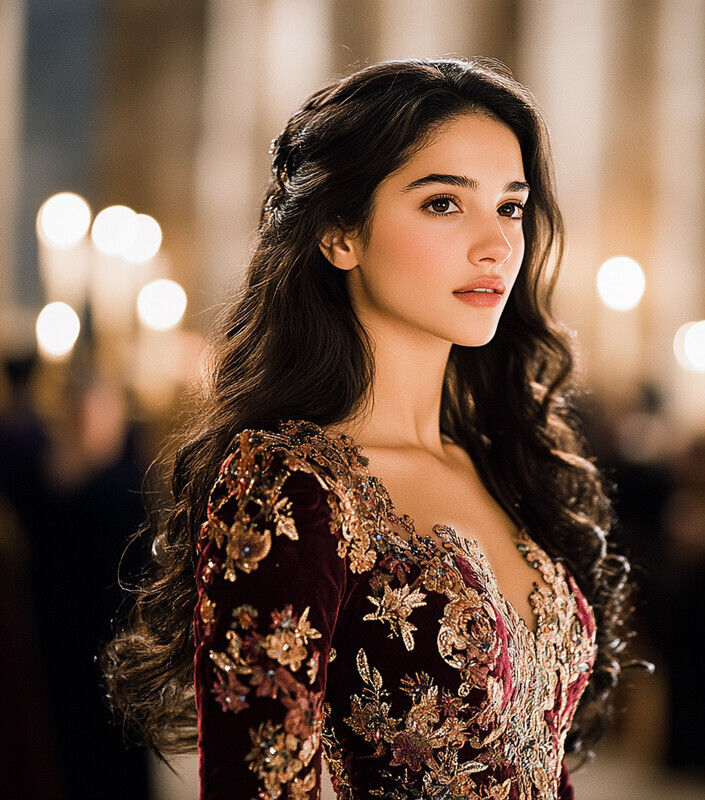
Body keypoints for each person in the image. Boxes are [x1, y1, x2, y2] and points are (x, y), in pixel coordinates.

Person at [102, 57, 638, 800]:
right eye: (444, 204)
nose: (496, 245)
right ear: (339, 234)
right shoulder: (290, 482)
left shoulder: (500, 460)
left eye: (511, 207)